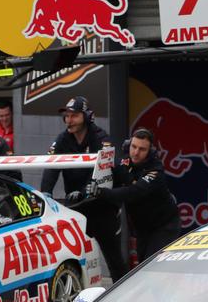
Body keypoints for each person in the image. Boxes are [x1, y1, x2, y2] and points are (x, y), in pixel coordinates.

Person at [41, 96, 126, 279]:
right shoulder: (62, 138)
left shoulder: (101, 137)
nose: (69, 120)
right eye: (67, 116)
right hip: (77, 210)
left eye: (74, 116)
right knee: (73, 258)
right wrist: (45, 193)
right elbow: (51, 166)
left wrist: (84, 190)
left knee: (115, 261)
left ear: (87, 117)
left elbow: (102, 169)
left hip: (103, 208)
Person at [71, 128, 181, 263]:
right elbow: (103, 179)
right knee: (142, 268)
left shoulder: (155, 170)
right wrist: (83, 193)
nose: (136, 152)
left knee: (152, 266)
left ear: (150, 151)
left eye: (142, 149)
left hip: (164, 226)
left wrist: (100, 192)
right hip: (142, 228)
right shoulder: (123, 161)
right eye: (134, 147)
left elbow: (132, 192)